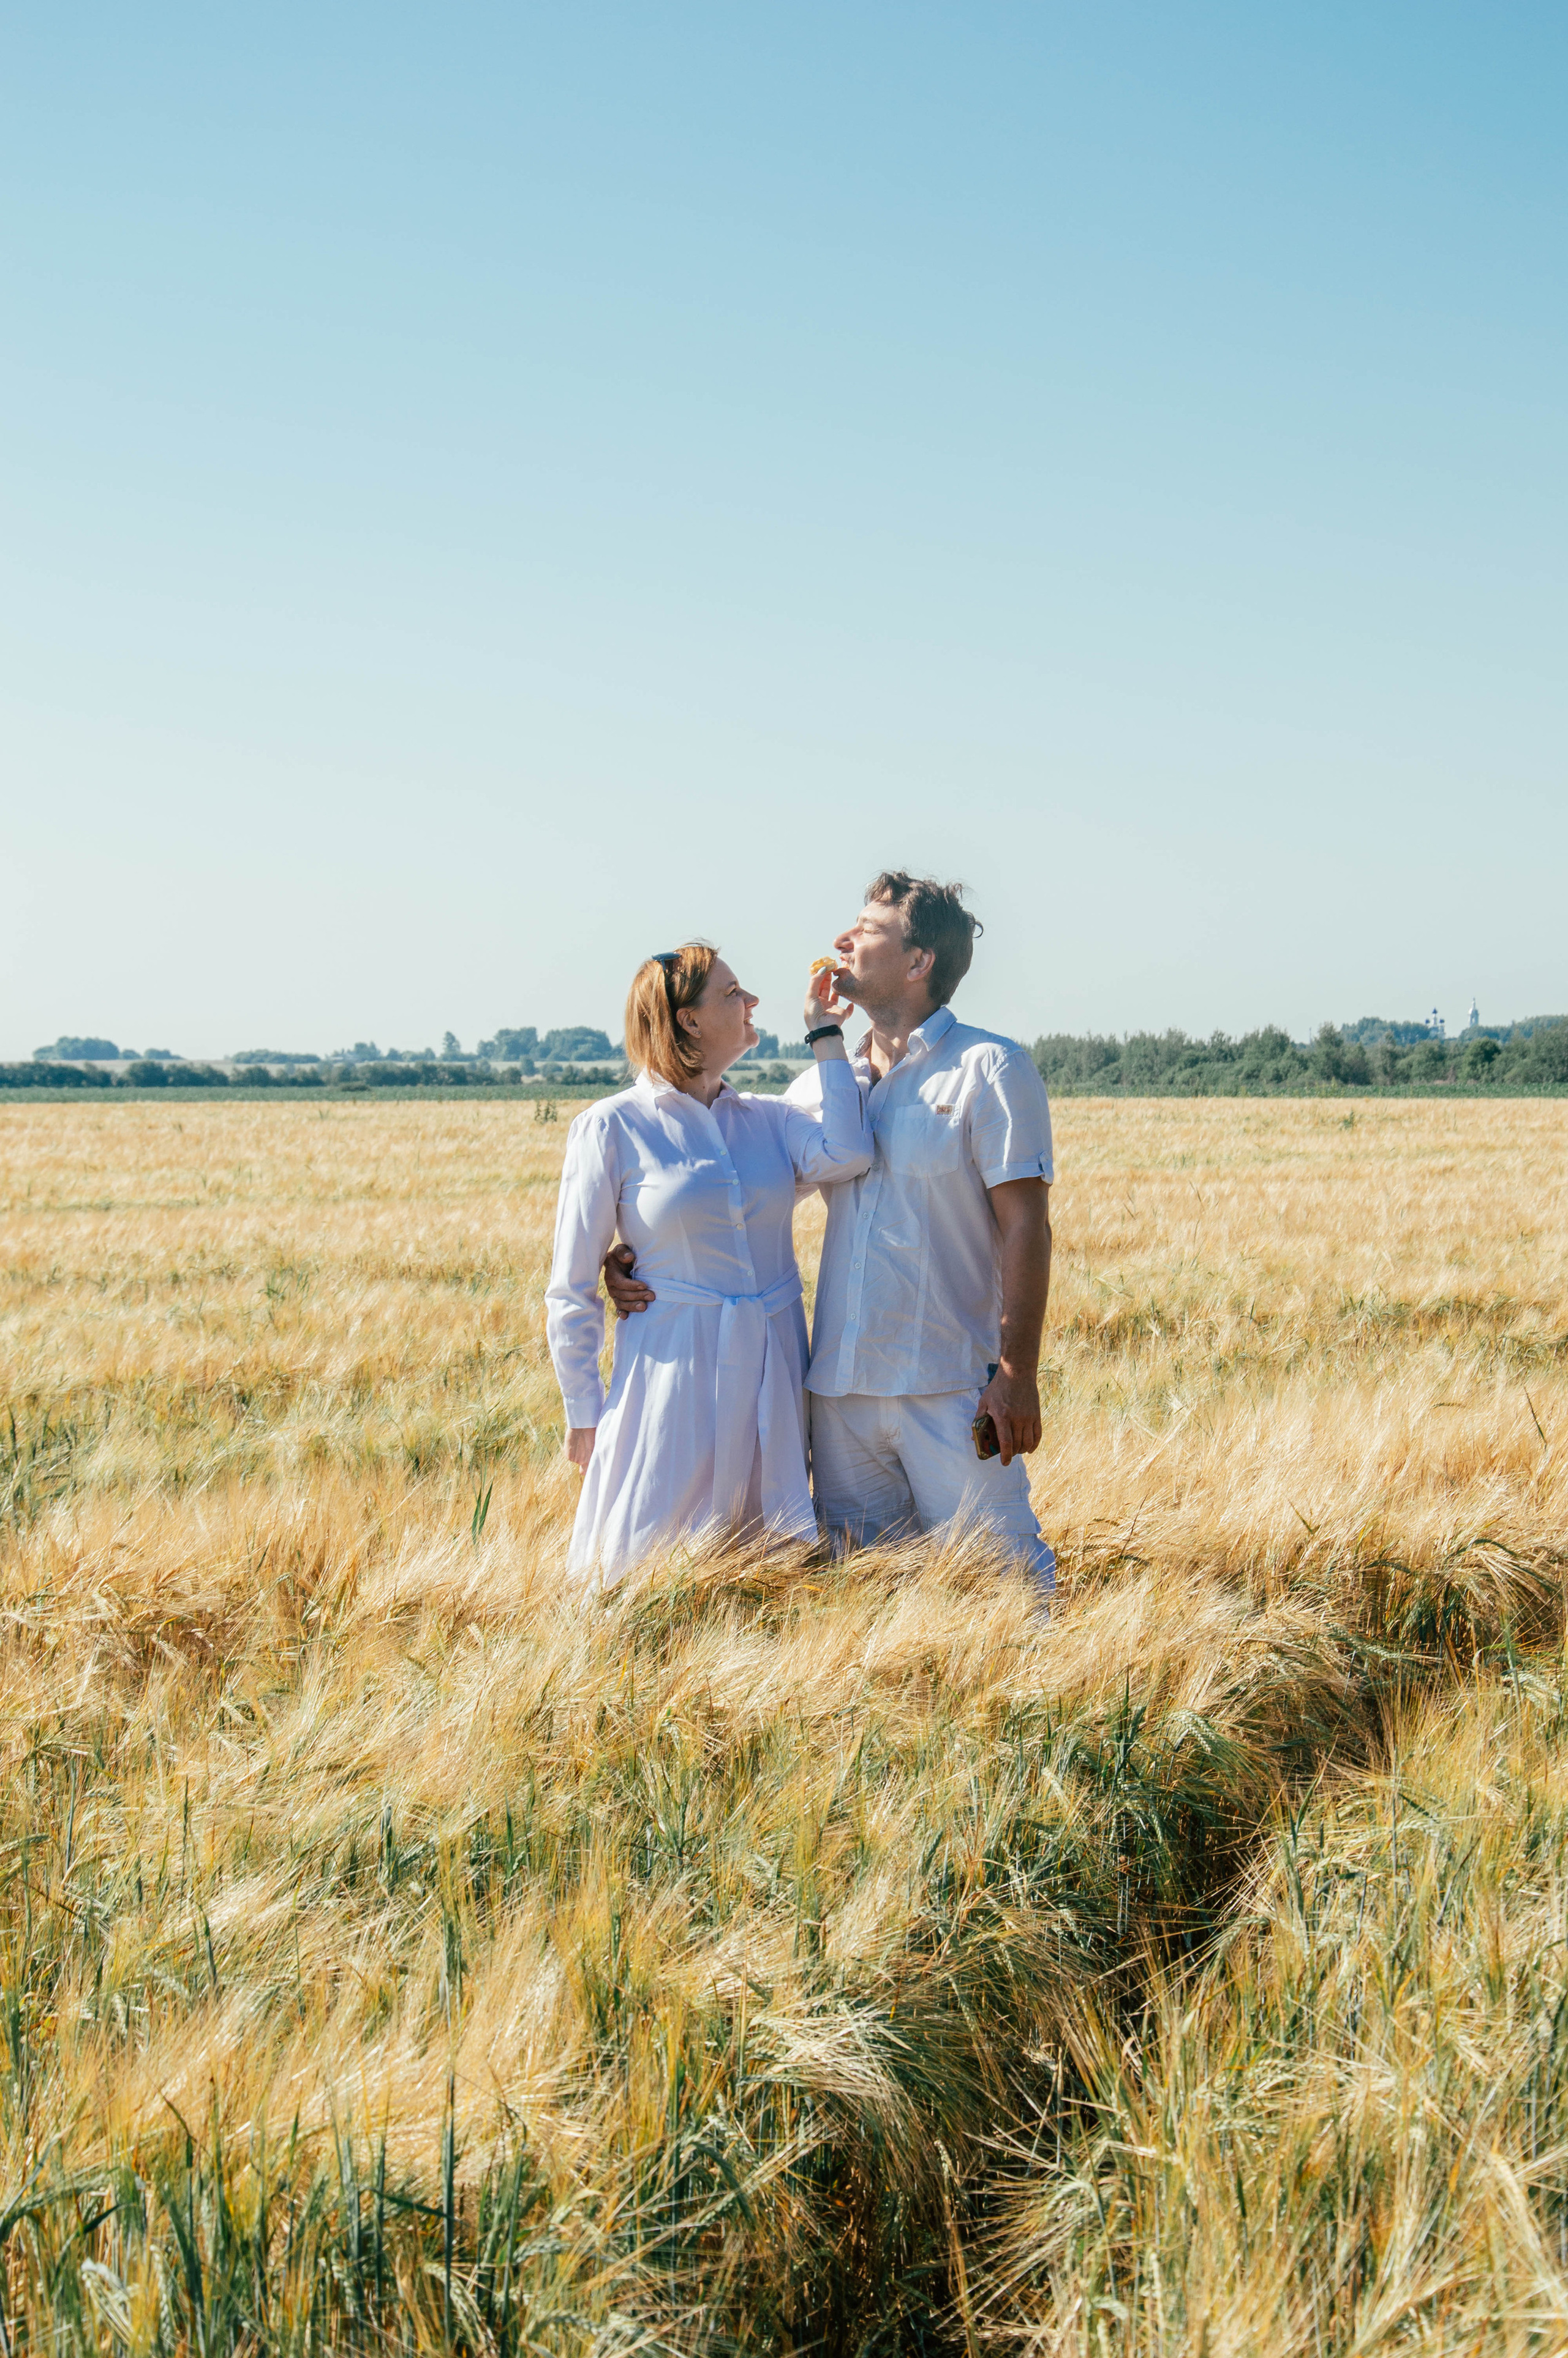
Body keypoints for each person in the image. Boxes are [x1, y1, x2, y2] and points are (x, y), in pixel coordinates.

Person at [605, 874, 1057, 1590]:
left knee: (1006, 1581)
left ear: (917, 963)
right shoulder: (823, 1082)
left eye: (867, 930)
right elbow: (727, 1196)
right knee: (867, 1597)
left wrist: (1017, 1375)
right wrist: (634, 1256)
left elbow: (1027, 1226)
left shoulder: (990, 1067)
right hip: (838, 1394)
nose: (842, 940)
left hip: (947, 1384)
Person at [545, 945, 872, 1585]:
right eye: (731, 993)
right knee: (650, 1557)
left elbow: (848, 1154)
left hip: (772, 1364)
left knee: (767, 1566)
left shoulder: (770, 1121)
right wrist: (583, 1410)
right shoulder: (610, 1127)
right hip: (671, 1369)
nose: (750, 1003)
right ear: (688, 1020)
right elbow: (572, 1287)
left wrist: (826, 1034)